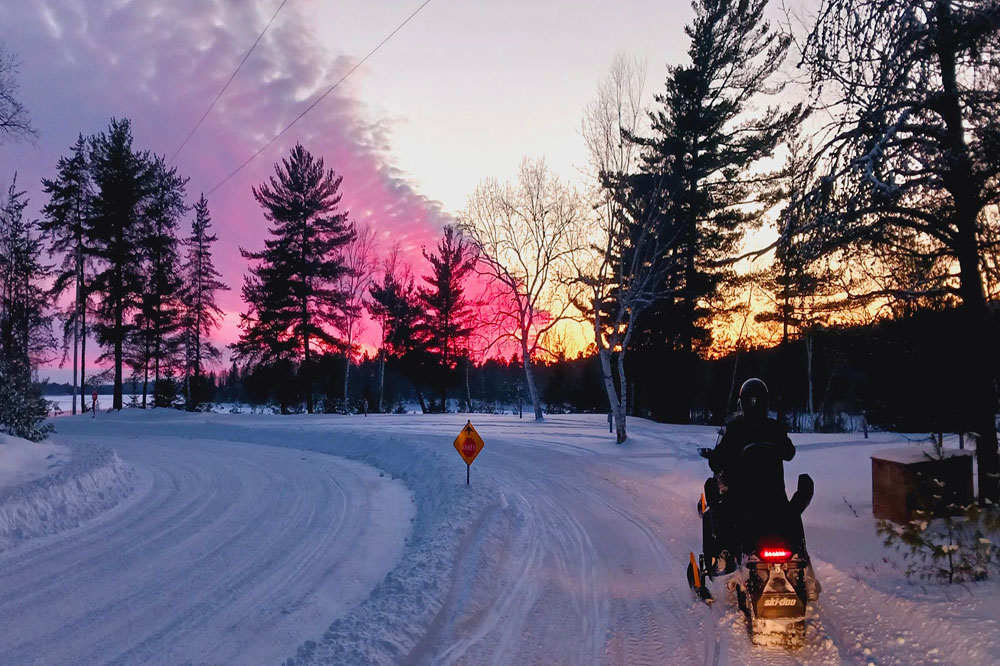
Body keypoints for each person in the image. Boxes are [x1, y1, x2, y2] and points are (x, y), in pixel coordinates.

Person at [702, 378, 795, 574]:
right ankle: (801, 556)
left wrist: (719, 459)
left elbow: (717, 461)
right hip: (774, 497)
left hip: (742, 499)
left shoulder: (736, 430)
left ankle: (722, 557)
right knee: (790, 512)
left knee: (716, 505)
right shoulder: (775, 429)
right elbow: (789, 453)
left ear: (742, 403)